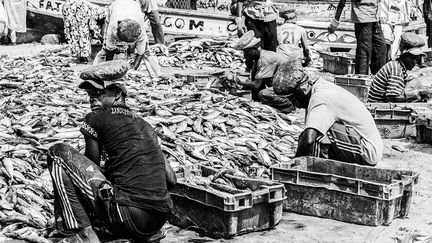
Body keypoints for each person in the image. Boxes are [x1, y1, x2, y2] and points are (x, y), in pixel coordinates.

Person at [48, 77, 176, 243]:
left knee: (57, 152)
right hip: (158, 221)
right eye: (90, 94)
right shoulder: (145, 126)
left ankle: (85, 233)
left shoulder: (95, 118)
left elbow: (90, 166)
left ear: (117, 94)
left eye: (99, 93)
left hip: (127, 216)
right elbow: (171, 179)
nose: (92, 98)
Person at [273, 62, 383, 165]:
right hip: (361, 141)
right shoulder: (320, 85)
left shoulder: (319, 98)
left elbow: (309, 140)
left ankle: (315, 173)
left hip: (368, 151)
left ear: (301, 91)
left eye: (293, 99)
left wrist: (295, 163)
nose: (294, 104)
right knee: (311, 132)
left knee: (317, 136)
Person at [234, 30, 297, 112]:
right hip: (281, 81)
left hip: (290, 85)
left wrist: (238, 81)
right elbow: (256, 78)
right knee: (255, 77)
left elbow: (256, 85)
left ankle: (289, 105)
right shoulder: (260, 57)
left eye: (246, 52)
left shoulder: (265, 59)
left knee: (264, 94)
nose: (245, 55)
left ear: (254, 49)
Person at [328, 0, 387, 75]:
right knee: (364, 51)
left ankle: (378, 79)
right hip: (362, 15)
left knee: (381, 48)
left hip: (375, 16)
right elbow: (342, 2)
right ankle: (361, 79)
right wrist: (335, 22)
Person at [368, 33, 426, 102]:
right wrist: (415, 95)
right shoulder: (396, 69)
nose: (414, 62)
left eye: (417, 59)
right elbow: (393, 98)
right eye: (411, 58)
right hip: (378, 106)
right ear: (403, 55)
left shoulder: (398, 66)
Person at [233, 0, 279, 72]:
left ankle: (268, 74)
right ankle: (251, 71)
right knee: (253, 46)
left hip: (269, 15)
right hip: (252, 14)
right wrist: (240, 21)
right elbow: (240, 1)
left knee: (271, 46)